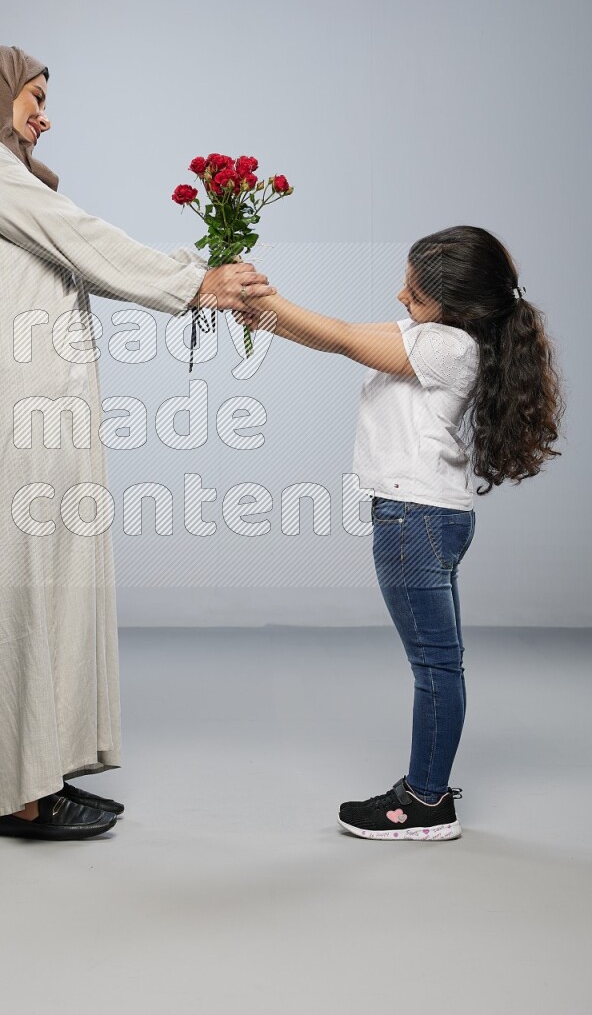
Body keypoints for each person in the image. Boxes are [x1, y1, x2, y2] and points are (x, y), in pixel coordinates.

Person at [0, 45, 276, 840]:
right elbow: (77, 236)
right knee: (15, 594)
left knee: (56, 590)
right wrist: (193, 282)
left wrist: (201, 266)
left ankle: (46, 773)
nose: (43, 115)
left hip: (41, 410)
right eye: (31, 96)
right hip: (7, 414)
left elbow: (70, 252)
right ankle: (15, 797)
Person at [240, 226, 565, 840]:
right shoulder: (432, 336)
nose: (400, 297)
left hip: (413, 520)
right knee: (441, 663)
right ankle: (428, 788)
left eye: (413, 293)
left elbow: (339, 339)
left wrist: (259, 298)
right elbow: (327, 333)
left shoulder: (449, 349)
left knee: (436, 667)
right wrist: (252, 305)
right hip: (428, 518)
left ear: (453, 306)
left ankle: (426, 802)